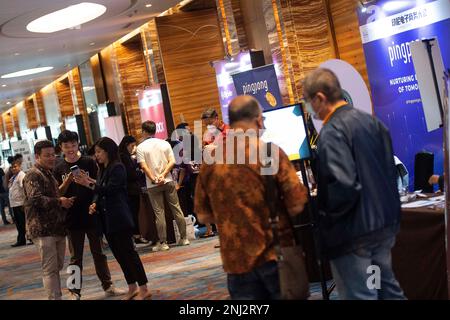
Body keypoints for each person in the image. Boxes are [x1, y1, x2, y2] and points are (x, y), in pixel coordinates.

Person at [303, 68, 405, 300]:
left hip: (353, 235)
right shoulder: (372, 123)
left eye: (307, 101)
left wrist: (327, 225)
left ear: (319, 98)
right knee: (385, 289)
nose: (308, 108)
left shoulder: (332, 132)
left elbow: (343, 186)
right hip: (382, 227)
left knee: (361, 295)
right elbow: (391, 174)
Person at [195, 95, 308, 299]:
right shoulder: (268, 152)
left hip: (235, 262)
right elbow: (297, 204)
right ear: (257, 120)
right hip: (274, 255)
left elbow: (203, 217)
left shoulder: (211, 162)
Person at [74, 137, 151, 300]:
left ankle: (144, 287)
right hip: (107, 219)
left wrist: (88, 184)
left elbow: (110, 190)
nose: (97, 155)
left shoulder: (118, 167)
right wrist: (94, 202)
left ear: (108, 151)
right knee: (118, 254)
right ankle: (132, 286)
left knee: (129, 253)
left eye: (99, 152)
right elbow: (99, 190)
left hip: (119, 216)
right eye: (96, 152)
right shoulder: (103, 168)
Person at [53, 130, 124, 300]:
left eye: (73, 145)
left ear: (78, 145)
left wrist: (95, 201)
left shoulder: (89, 162)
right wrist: (68, 180)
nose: (70, 149)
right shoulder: (58, 167)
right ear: (61, 148)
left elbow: (98, 186)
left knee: (99, 253)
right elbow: (57, 193)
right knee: (75, 257)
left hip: (92, 214)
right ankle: (74, 291)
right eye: (66, 146)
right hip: (71, 217)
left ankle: (108, 285)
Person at [23, 140, 75, 300]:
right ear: (37, 156)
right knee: (50, 269)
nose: (52, 158)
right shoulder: (33, 174)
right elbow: (35, 199)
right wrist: (60, 201)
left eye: (53, 155)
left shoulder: (48, 172)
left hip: (57, 227)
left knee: (56, 266)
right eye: (47, 156)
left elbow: (53, 195)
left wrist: (64, 191)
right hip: (42, 229)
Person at [137, 121, 189, 252]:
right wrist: (164, 175)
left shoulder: (140, 147)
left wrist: (154, 178)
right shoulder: (165, 143)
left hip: (152, 184)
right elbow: (172, 162)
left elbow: (144, 166)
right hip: (168, 180)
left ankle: (163, 242)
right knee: (176, 209)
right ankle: (184, 238)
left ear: (144, 131)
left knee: (159, 213)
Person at [119, 135, 149, 245]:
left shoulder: (123, 156)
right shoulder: (124, 157)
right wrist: (141, 171)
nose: (134, 148)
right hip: (131, 190)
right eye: (132, 145)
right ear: (127, 145)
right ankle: (136, 235)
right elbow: (131, 174)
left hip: (129, 190)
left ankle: (135, 235)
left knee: (133, 213)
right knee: (133, 213)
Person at [9, 159, 27, 246]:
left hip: (20, 203)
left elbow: (24, 188)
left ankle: (23, 239)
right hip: (15, 204)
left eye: (15, 166)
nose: (13, 169)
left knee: (22, 223)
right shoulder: (13, 177)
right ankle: (21, 239)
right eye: (12, 167)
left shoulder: (21, 175)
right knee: (19, 223)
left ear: (20, 166)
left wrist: (25, 202)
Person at [0, 157, 11, 225]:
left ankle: (4, 221)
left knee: (1, 207)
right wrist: (6, 188)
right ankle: (13, 217)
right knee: (9, 205)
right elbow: (4, 179)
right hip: (3, 190)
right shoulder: (0, 170)